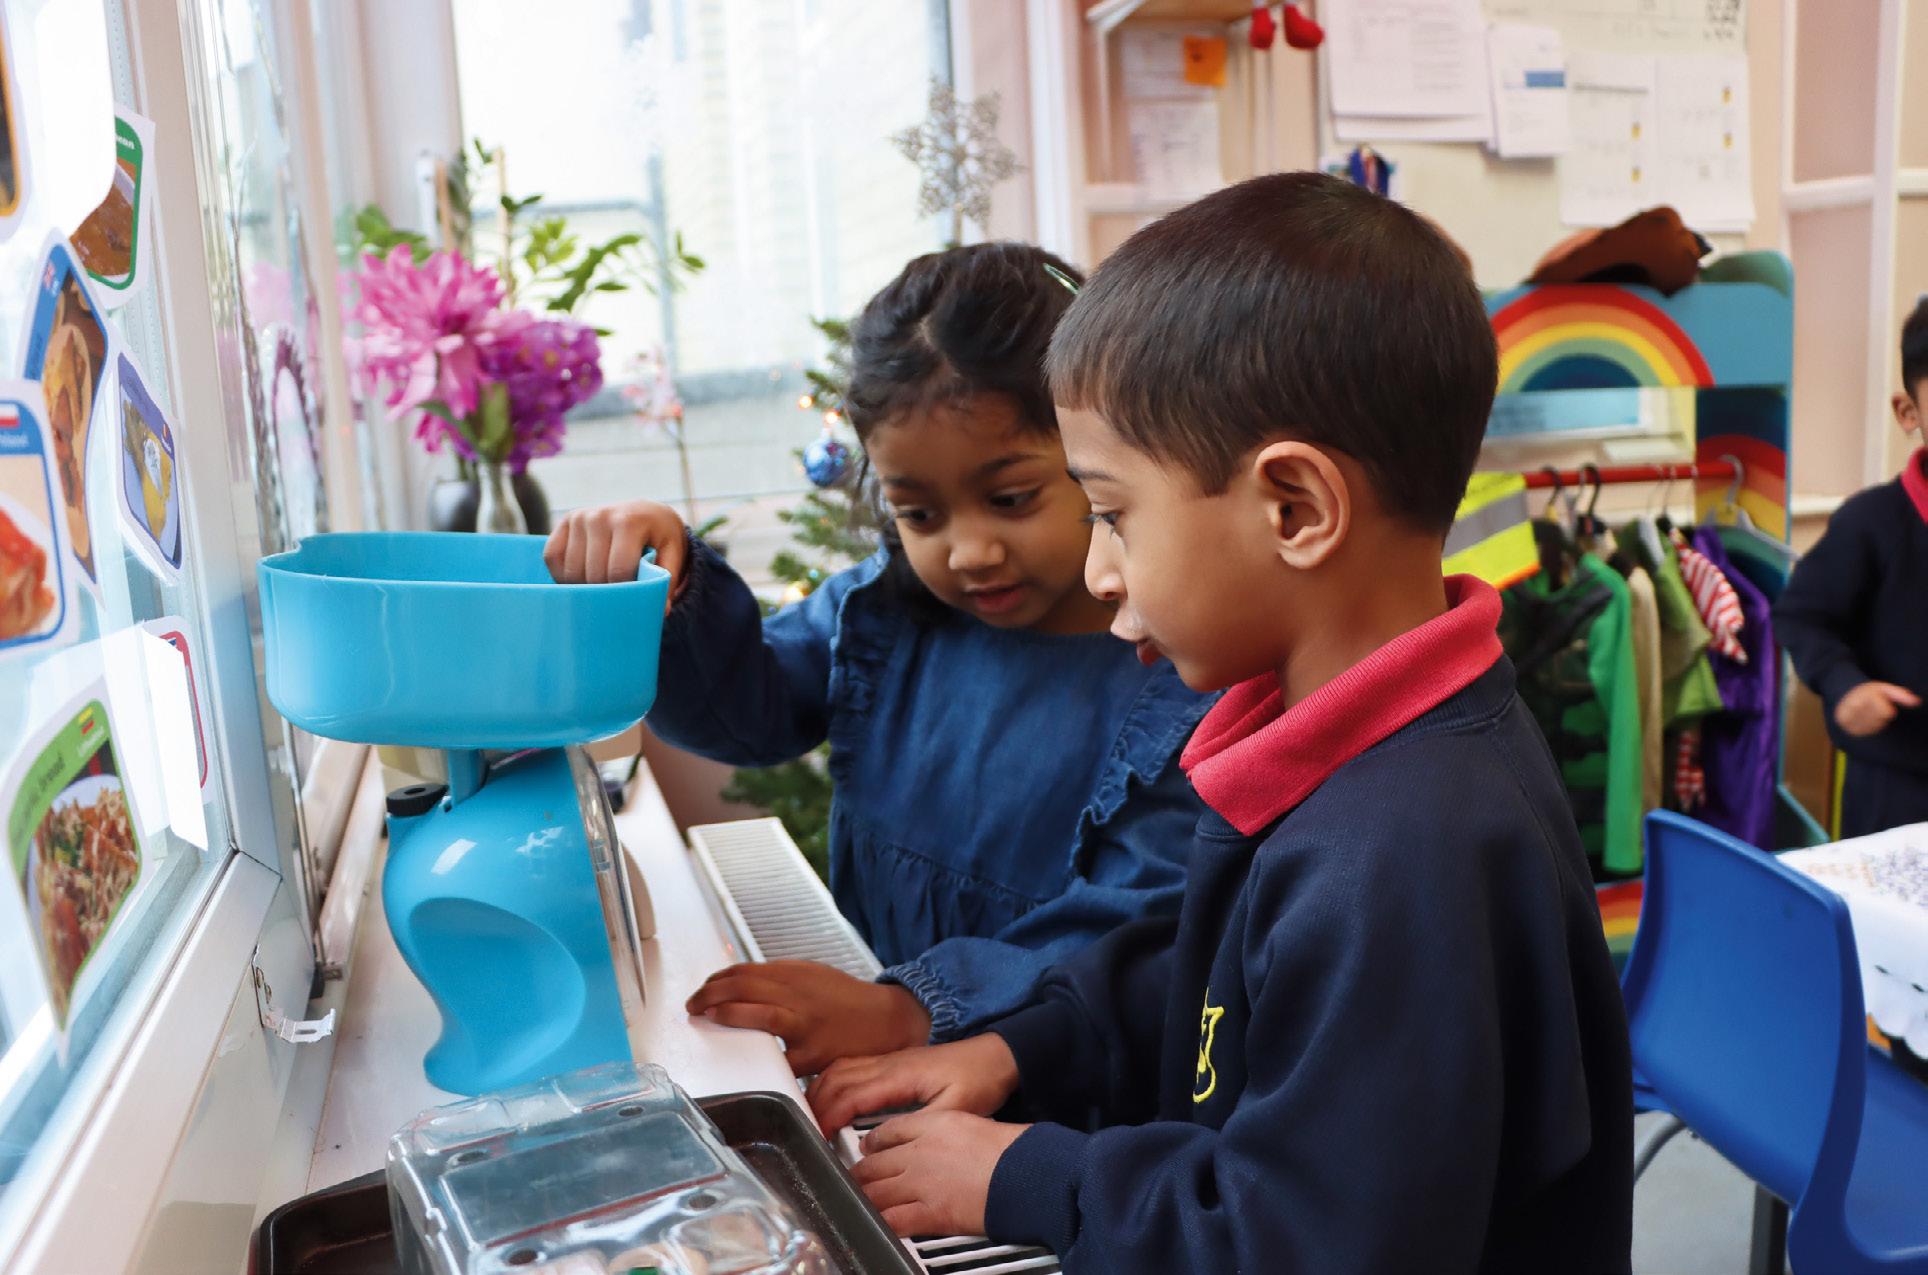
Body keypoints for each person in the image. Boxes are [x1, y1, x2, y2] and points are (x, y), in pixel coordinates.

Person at [808, 173, 1635, 1274]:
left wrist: (1030, 1176)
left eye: (1113, 514)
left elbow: (1305, 1241)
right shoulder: (1334, 739)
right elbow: (1227, 989)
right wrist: (1024, 1048)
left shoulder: (1404, 852)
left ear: (1294, 508)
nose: (1099, 572)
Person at [545, 243, 1209, 1075]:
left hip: (1050, 1079)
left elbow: (1136, 929)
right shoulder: (881, 610)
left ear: (1104, 455)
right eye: (919, 513)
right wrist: (672, 578)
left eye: (1010, 498)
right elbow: (746, 713)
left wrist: (910, 1007)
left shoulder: (1186, 670)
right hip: (885, 1045)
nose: (968, 551)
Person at [1774, 297, 1928, 841]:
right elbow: (1802, 617)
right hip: (1897, 790)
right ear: (1908, 412)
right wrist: (1845, 685)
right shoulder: (1871, 523)